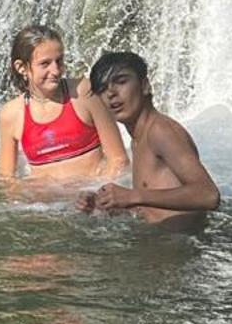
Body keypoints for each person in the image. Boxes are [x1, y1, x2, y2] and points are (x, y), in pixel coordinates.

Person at [78, 50, 220, 229]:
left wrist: (133, 196)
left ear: (145, 86)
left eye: (121, 81)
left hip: (183, 248)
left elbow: (208, 195)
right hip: (163, 243)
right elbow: (154, 210)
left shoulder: (161, 131)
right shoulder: (138, 140)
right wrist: (107, 205)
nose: (111, 93)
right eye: (102, 89)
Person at [0, 23, 128, 186]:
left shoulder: (84, 92)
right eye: (45, 64)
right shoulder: (11, 114)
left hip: (92, 197)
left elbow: (119, 160)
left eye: (59, 61)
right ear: (21, 67)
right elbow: (6, 180)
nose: (56, 70)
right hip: (45, 205)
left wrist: (98, 195)